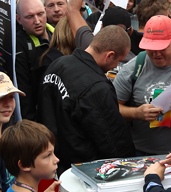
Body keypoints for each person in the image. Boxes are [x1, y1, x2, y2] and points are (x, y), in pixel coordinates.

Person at [38, 25, 135, 174]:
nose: (116, 66)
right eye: (119, 61)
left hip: (53, 160)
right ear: (109, 55)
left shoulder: (58, 64)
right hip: (84, 170)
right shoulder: (97, 88)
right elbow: (113, 142)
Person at [113, 15, 171, 155]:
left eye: (162, 48)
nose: (156, 53)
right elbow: (112, 108)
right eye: (151, 48)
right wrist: (136, 113)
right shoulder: (133, 68)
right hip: (136, 152)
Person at [15, 0, 53, 120]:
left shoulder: (59, 34)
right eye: (29, 17)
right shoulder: (18, 44)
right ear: (19, 19)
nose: (37, 21)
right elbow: (24, 89)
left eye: (40, 14)